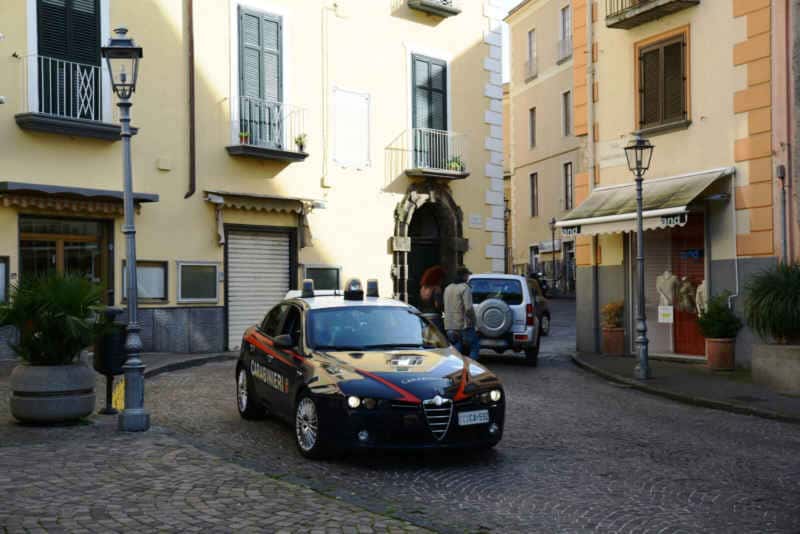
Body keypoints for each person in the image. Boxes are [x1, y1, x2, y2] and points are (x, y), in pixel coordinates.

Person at [443, 266, 480, 360]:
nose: (468, 277)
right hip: (463, 325)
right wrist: (474, 322)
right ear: (464, 276)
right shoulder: (465, 288)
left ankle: (455, 368)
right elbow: (468, 308)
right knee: (474, 347)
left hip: (449, 325)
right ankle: (471, 368)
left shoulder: (447, 288)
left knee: (456, 349)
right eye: (467, 275)